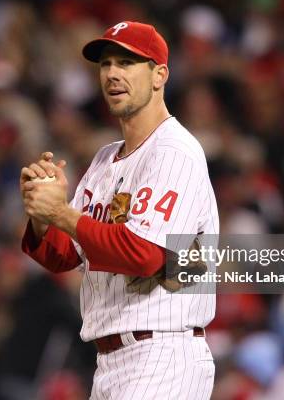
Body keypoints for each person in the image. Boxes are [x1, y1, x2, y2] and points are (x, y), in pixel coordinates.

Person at [20, 21, 218, 399]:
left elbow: (145, 255)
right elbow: (67, 255)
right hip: (112, 362)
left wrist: (61, 213)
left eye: (126, 63)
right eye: (106, 64)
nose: (112, 73)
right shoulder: (104, 158)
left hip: (162, 355)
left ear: (159, 75)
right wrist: (41, 215)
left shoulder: (175, 152)